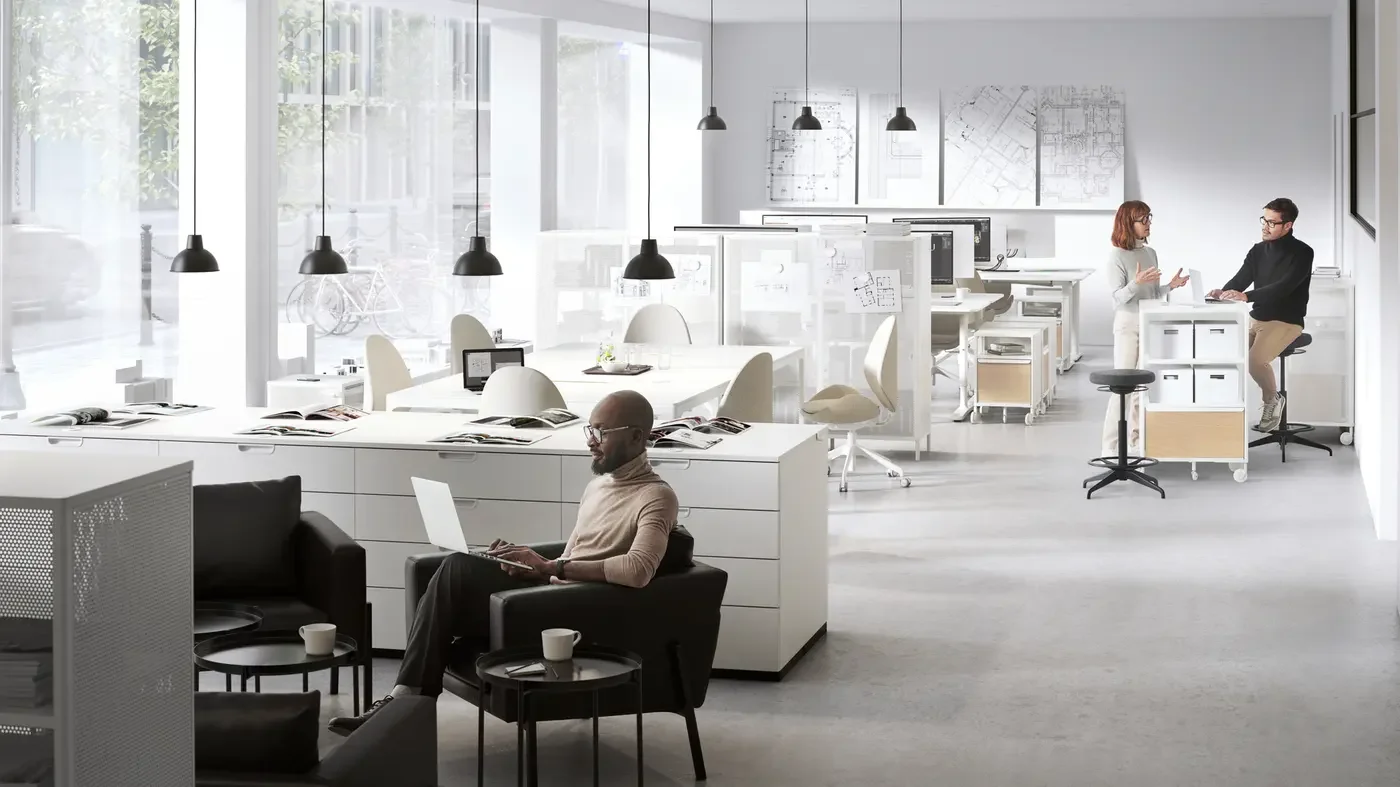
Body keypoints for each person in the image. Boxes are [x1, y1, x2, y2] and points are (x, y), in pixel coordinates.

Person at [328, 390, 679, 735]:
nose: (591, 441)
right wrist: (531, 560)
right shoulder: (599, 485)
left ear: (636, 436)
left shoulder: (656, 496)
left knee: (456, 572)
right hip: (553, 590)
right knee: (454, 569)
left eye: (602, 432)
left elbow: (637, 570)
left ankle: (403, 706)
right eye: (590, 430)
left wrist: (549, 568)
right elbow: (574, 555)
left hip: (578, 610)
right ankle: (406, 702)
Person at [1208, 198, 1313, 433]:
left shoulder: (1303, 253)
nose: (1265, 226)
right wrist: (1222, 292)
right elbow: (1241, 279)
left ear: (1288, 225)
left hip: (1286, 321)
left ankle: (1272, 401)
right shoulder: (1257, 250)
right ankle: (1221, 413)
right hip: (1257, 319)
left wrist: (1247, 297)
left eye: (1272, 223)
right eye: (1263, 220)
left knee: (1255, 362)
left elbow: (1284, 287)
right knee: (1226, 355)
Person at [1102, 200, 1189, 456]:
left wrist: (1170, 286)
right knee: (1123, 389)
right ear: (1129, 223)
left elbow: (1151, 294)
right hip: (1128, 325)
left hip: (1150, 322)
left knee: (1143, 388)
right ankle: (1110, 447)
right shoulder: (1116, 256)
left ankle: (1138, 443)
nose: (1148, 224)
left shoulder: (1150, 253)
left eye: (1150, 218)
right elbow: (1118, 298)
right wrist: (1135, 282)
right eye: (1143, 220)